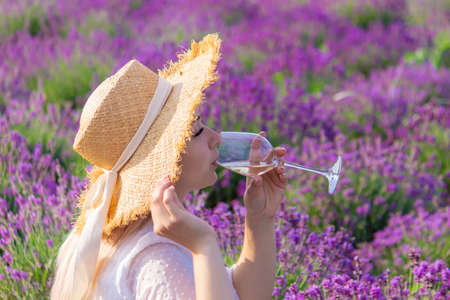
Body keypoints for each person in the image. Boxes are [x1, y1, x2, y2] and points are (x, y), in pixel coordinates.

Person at [50, 33, 288, 300]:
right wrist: (203, 244)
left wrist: (259, 219)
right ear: (166, 159)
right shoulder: (158, 260)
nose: (216, 137)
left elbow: (240, 294)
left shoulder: (131, 239)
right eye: (196, 131)